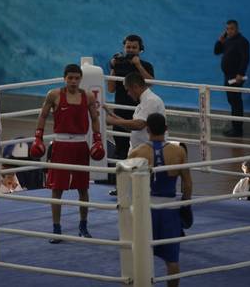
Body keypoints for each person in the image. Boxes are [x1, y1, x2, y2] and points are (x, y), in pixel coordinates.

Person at [29, 64, 105, 243]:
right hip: (61, 145)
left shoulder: (87, 96)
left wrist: (98, 139)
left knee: (83, 188)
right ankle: (56, 229)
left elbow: (95, 118)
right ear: (64, 78)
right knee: (57, 188)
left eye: (76, 78)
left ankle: (83, 226)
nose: (73, 81)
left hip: (80, 145)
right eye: (70, 78)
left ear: (80, 79)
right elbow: (43, 115)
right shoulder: (54, 95)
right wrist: (38, 137)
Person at [128, 113, 192, 287]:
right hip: (170, 211)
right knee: (172, 260)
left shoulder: (136, 153)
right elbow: (187, 184)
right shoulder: (179, 151)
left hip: (146, 210)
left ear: (147, 130)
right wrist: (185, 205)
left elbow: (129, 186)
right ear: (166, 129)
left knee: (140, 256)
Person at [106, 35, 155, 196]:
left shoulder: (146, 65)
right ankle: (121, 186)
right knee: (121, 150)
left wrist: (138, 65)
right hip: (121, 112)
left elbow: (150, 82)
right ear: (124, 47)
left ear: (140, 49)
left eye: (134, 47)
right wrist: (113, 67)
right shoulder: (118, 64)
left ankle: (144, 185)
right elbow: (111, 89)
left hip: (139, 113)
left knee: (141, 150)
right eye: (128, 47)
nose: (131, 50)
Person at [106, 71, 165, 152]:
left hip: (148, 152)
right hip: (142, 150)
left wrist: (114, 121)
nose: (128, 94)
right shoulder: (143, 103)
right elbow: (133, 126)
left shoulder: (151, 101)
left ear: (135, 86)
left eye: (128, 90)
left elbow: (139, 125)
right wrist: (113, 116)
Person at [214, 19, 250, 137]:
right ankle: (235, 127)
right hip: (228, 76)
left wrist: (240, 73)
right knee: (232, 101)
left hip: (236, 77)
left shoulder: (242, 41)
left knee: (236, 102)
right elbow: (217, 51)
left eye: (231, 29)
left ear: (237, 29)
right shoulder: (227, 41)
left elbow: (245, 58)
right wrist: (220, 40)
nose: (229, 31)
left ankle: (238, 129)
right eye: (227, 29)